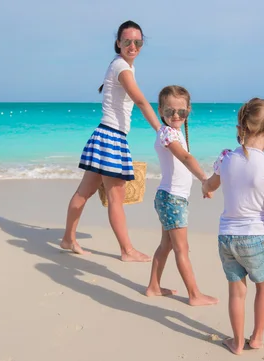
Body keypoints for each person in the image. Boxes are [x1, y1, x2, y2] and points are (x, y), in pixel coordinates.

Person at [60, 20, 161, 262]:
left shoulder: (122, 66)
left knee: (84, 192)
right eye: (127, 41)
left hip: (105, 135)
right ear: (118, 43)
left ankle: (67, 239)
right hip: (112, 137)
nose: (133, 46)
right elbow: (141, 101)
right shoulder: (121, 67)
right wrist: (161, 129)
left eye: (137, 42)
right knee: (116, 198)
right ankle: (127, 250)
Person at [202, 98, 264, 354]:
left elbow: (211, 185)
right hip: (255, 238)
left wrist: (205, 189)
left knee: (236, 292)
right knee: (263, 287)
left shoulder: (226, 158)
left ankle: (237, 342)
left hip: (226, 237)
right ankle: (257, 337)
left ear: (242, 126)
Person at [144, 85, 219, 306]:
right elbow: (186, 158)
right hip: (172, 199)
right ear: (160, 111)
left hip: (170, 198)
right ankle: (194, 294)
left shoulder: (173, 132)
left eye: (181, 112)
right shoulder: (168, 133)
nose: (176, 116)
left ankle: (153, 287)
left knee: (166, 245)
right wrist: (205, 181)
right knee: (181, 248)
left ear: (188, 111)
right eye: (170, 111)